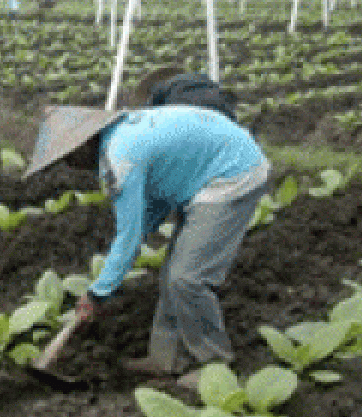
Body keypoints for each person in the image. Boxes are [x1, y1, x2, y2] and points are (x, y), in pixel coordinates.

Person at [24, 67, 270, 390]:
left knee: (187, 278)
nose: (70, 167)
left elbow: (128, 238)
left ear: (83, 145)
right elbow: (146, 214)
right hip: (205, 177)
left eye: (67, 158)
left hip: (232, 176)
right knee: (172, 273)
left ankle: (216, 366)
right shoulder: (123, 137)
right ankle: (166, 358)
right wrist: (109, 276)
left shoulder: (120, 157)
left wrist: (98, 292)